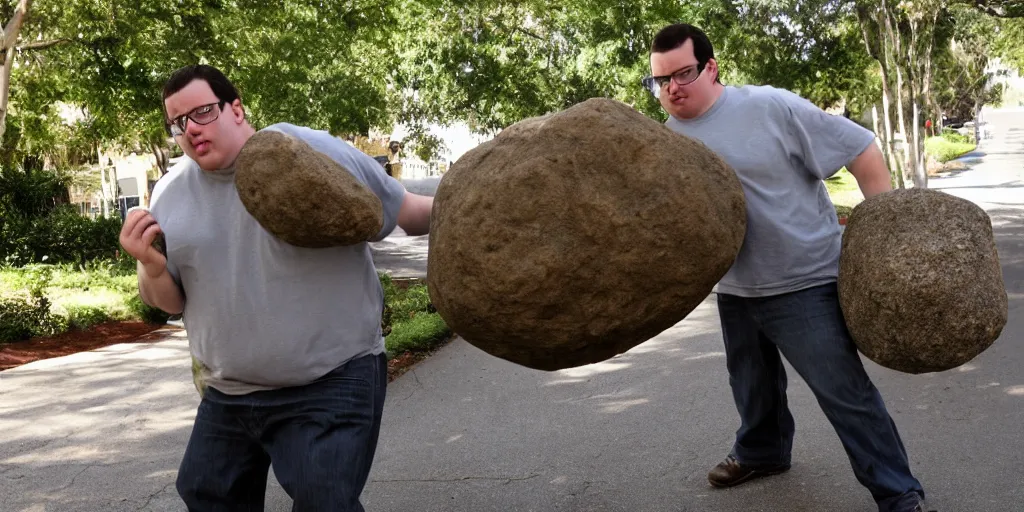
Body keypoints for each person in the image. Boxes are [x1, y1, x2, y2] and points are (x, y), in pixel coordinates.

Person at [118, 64, 433, 511]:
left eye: (203, 112)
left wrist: (473, 211)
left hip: (330, 379)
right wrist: (150, 267)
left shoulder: (305, 150)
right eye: (177, 122)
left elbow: (405, 210)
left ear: (237, 109)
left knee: (324, 500)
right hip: (230, 392)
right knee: (206, 491)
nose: (190, 129)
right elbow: (169, 302)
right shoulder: (169, 193)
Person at [644, 24, 932, 512]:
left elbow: (860, 147)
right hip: (735, 288)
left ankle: (898, 491)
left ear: (711, 68)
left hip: (804, 282)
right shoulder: (667, 141)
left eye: (683, 74)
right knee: (751, 383)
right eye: (659, 80)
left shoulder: (768, 107)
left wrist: (889, 235)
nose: (671, 88)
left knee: (843, 392)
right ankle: (763, 451)